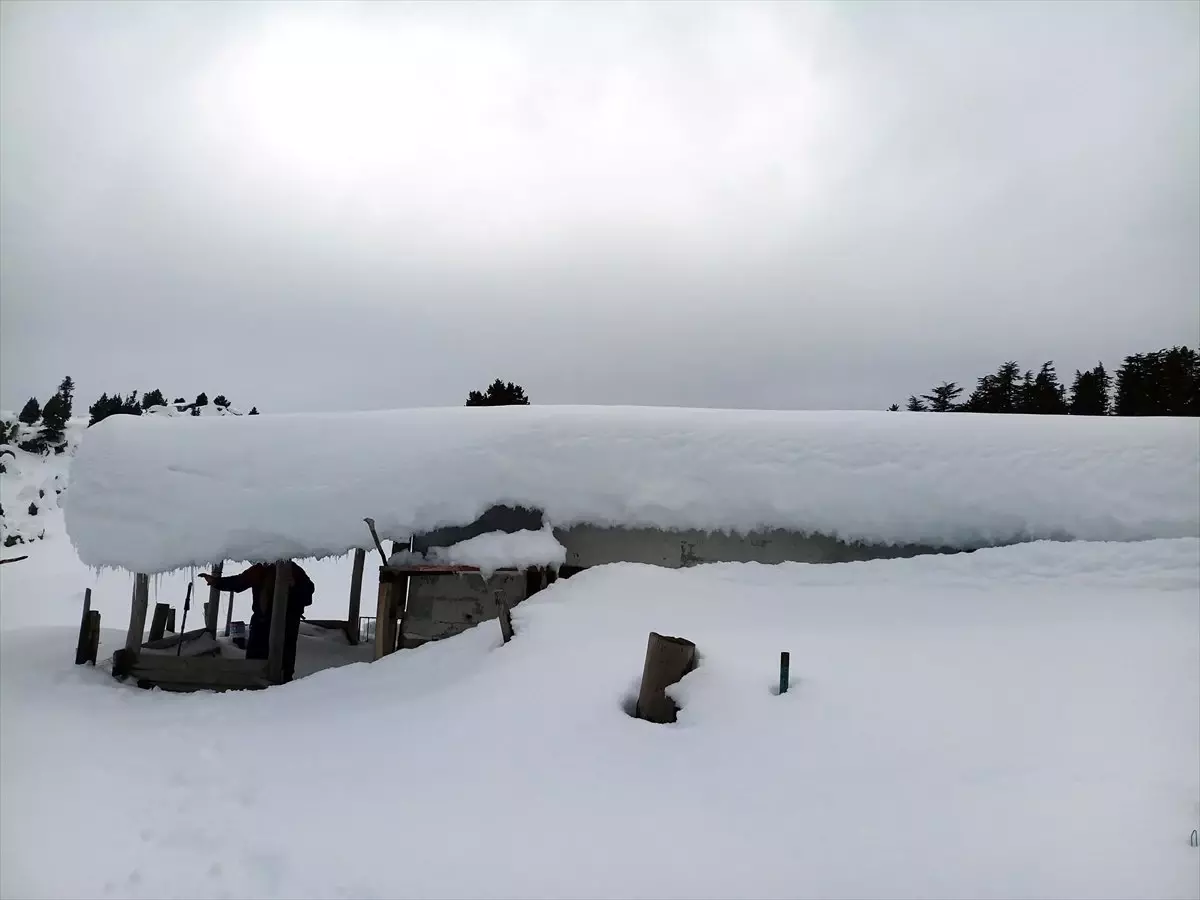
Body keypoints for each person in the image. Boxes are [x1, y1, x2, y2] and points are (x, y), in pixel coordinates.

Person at [200, 561, 314, 682]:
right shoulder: (259, 570)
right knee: (256, 657)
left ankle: (283, 685)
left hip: (287, 623)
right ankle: (254, 685)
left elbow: (308, 593)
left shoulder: (293, 570)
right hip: (261, 622)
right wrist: (217, 582)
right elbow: (239, 582)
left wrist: (294, 585)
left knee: (284, 658)